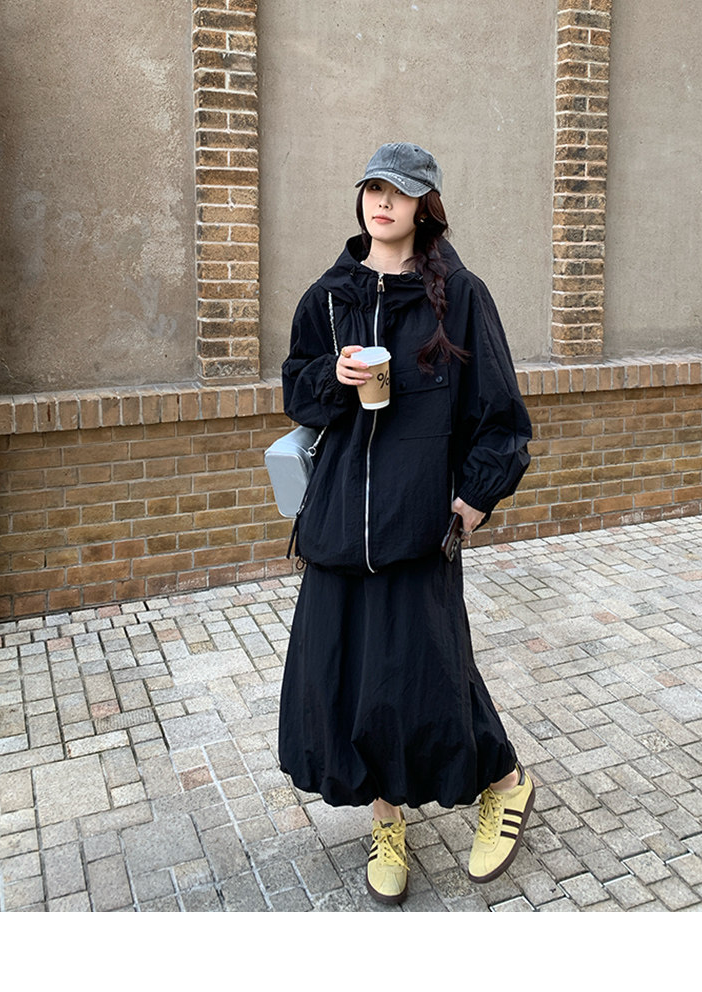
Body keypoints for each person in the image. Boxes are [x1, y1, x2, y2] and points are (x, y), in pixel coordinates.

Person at [278, 142, 535, 905]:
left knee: (428, 674)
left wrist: (475, 498)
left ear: (425, 204)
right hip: (337, 525)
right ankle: (385, 822)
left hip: (419, 524)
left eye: (399, 190)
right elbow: (298, 392)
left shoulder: (461, 296)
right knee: (355, 682)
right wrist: (333, 377)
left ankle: (505, 783)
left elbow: (499, 413)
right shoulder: (328, 298)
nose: (382, 202)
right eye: (373, 188)